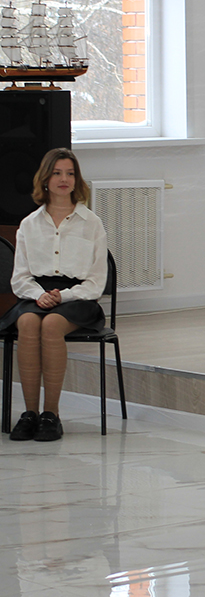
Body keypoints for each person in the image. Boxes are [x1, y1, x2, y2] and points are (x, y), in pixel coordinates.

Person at [1, 148, 107, 442]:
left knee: (50, 324)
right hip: (36, 294)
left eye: (70, 173)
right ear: (45, 179)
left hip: (77, 297)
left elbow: (96, 281)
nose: (64, 179)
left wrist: (64, 296)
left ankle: (51, 414)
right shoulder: (29, 224)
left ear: (77, 180)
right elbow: (20, 277)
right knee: (27, 322)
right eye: (57, 173)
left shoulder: (92, 223)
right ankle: (29, 414)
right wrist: (39, 295)